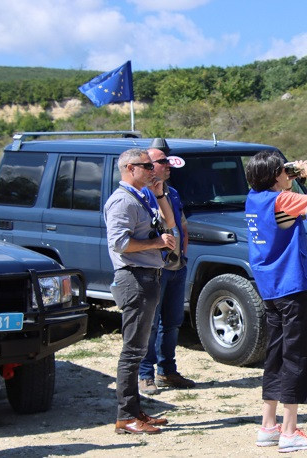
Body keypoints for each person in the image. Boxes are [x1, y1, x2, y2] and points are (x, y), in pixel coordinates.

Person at [245, 151, 307, 452]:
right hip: (292, 287)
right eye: (282, 172)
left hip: (269, 287)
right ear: (274, 177)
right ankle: (290, 431)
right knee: (297, 356)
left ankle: (268, 426)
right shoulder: (283, 200)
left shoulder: (253, 199)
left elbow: (278, 195)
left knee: (276, 354)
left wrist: (289, 176)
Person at [104, 148, 177, 434]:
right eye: (146, 166)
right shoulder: (121, 201)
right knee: (133, 351)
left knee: (138, 348)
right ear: (129, 168)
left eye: (152, 165)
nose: (152, 170)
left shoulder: (143, 195)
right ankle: (125, 417)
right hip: (133, 277)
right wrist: (156, 244)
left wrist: (159, 194)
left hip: (146, 276)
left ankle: (135, 411)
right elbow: (120, 244)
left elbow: (169, 223)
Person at [138, 148, 196, 395]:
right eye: (162, 161)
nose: (168, 165)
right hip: (155, 268)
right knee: (150, 323)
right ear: (150, 166)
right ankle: (145, 374)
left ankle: (167, 371)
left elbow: (181, 225)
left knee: (172, 322)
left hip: (176, 267)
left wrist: (183, 255)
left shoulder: (171, 192)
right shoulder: (141, 195)